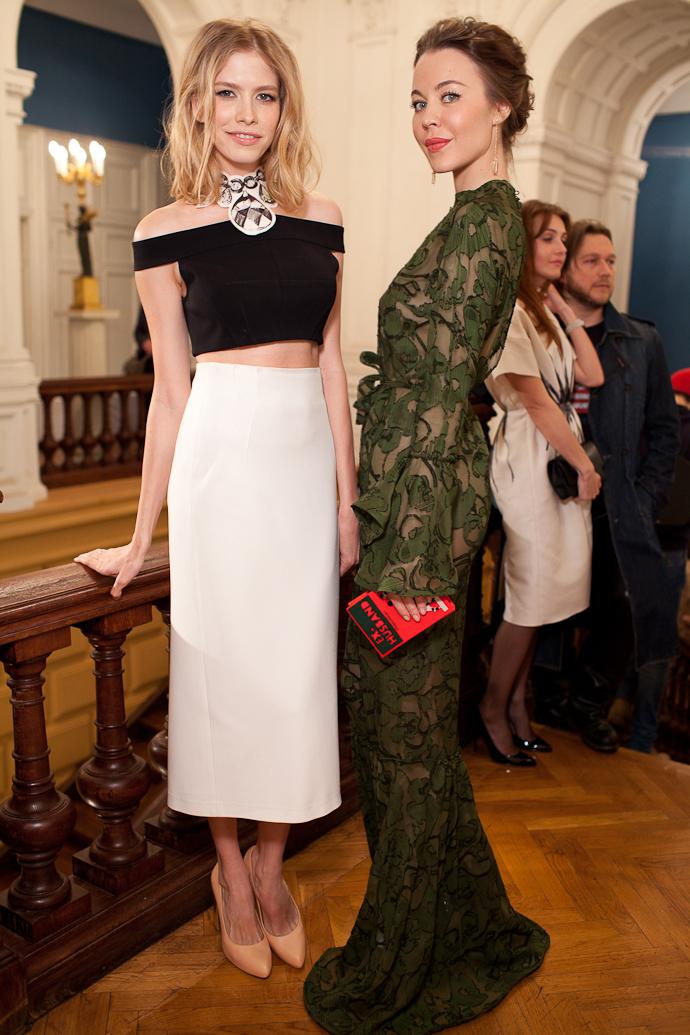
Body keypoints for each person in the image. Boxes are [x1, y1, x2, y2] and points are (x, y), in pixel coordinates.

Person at [75, 18, 358, 981]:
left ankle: (275, 866)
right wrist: (137, 538)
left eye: (264, 95)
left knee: (294, 679)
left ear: (283, 110)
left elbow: (330, 366)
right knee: (223, 681)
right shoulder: (163, 232)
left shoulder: (322, 216)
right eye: (228, 93)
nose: (246, 113)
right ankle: (231, 871)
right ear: (197, 105)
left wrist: (346, 501)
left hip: (301, 469)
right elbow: (170, 391)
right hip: (219, 466)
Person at [303, 18, 549, 1035]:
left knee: (399, 746)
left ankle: (401, 959)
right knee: (414, 747)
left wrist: (400, 561)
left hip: (416, 527)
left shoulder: (487, 223)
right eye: (417, 100)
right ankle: (468, 924)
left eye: (450, 95)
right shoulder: (479, 217)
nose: (429, 117)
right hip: (416, 511)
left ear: (501, 106)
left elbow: (444, 404)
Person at [530, 220, 680, 752]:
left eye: (611, 261)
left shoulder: (641, 339)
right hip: (551, 493)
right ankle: (548, 697)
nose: (605, 271)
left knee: (633, 600)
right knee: (553, 598)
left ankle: (588, 701)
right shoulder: (537, 329)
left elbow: (664, 430)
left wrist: (647, 496)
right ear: (565, 268)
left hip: (619, 498)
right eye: (591, 261)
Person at [479, 202, 604, 765]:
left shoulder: (541, 310)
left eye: (562, 238)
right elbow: (534, 402)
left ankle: (518, 702)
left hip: (554, 452)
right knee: (528, 595)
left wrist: (564, 311)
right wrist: (584, 466)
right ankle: (493, 707)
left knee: (549, 593)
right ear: (520, 245)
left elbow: (591, 374)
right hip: (530, 460)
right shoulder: (507, 313)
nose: (560, 248)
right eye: (548, 238)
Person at [609, 367, 690, 753]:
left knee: (629, 628)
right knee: (658, 644)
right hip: (670, 549)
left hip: (630, 542)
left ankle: (618, 706)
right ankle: (643, 738)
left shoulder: (641, 425)